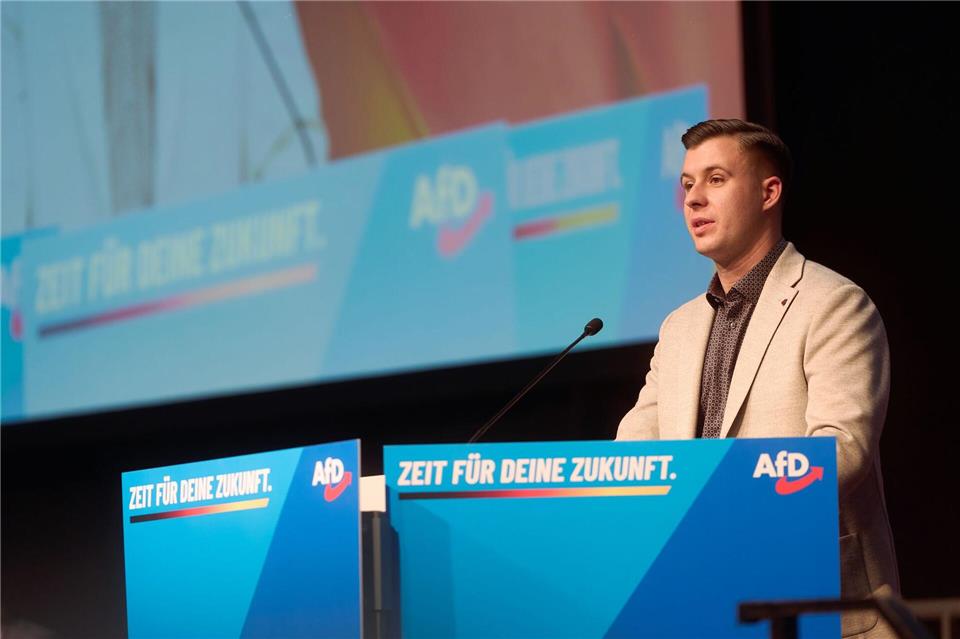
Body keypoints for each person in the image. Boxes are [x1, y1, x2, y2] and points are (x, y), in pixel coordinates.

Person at [617, 119, 899, 639]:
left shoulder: (835, 305)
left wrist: (716, 494)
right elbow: (635, 447)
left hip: (818, 605)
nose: (694, 200)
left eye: (716, 179)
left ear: (770, 192)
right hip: (701, 597)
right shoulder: (678, 327)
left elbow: (843, 451)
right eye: (686, 184)